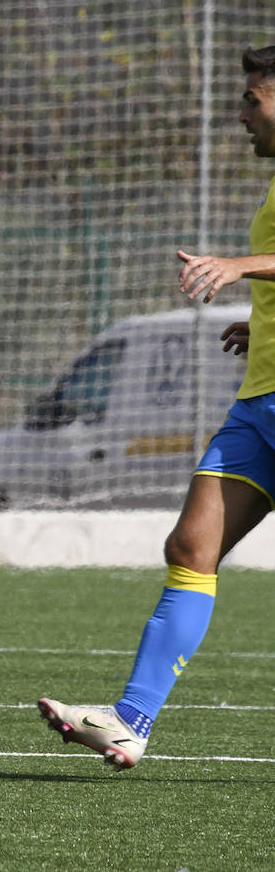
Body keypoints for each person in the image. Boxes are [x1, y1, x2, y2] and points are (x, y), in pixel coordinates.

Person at [38, 45, 275, 770]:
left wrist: (238, 268)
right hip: (261, 402)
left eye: (253, 100)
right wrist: (260, 316)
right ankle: (129, 720)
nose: (241, 115)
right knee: (190, 549)